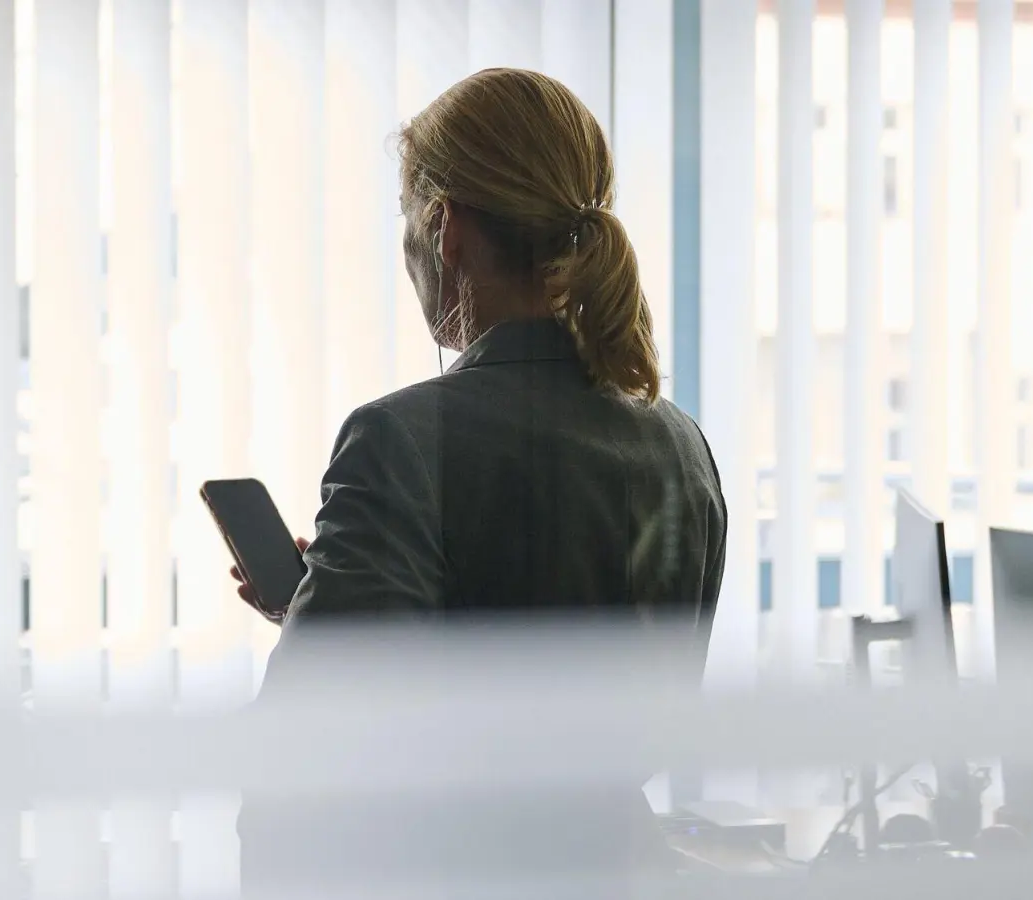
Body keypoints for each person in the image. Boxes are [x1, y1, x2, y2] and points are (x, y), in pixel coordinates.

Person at [233, 68, 727, 897]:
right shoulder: (681, 447)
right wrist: (330, 602)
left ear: (445, 226)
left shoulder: (398, 440)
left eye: (407, 222)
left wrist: (308, 635)